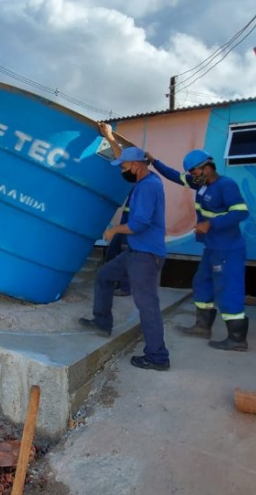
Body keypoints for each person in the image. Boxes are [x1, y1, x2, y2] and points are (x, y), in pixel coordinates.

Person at [79, 123, 169, 371]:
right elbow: (124, 157)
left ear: (136, 166)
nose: (122, 170)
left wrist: (114, 230)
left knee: (147, 305)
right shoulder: (143, 179)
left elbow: (139, 224)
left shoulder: (149, 186)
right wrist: (110, 137)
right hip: (135, 252)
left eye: (124, 167)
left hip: (146, 256)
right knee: (105, 276)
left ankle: (158, 356)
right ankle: (102, 322)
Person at [149, 149, 250, 351]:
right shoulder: (201, 184)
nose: (192, 177)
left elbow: (241, 213)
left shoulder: (226, 185)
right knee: (202, 283)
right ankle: (202, 327)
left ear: (207, 168)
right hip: (212, 248)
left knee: (228, 290)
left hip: (227, 250)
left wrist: (210, 224)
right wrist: (154, 161)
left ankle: (237, 340)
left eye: (194, 172)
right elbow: (175, 176)